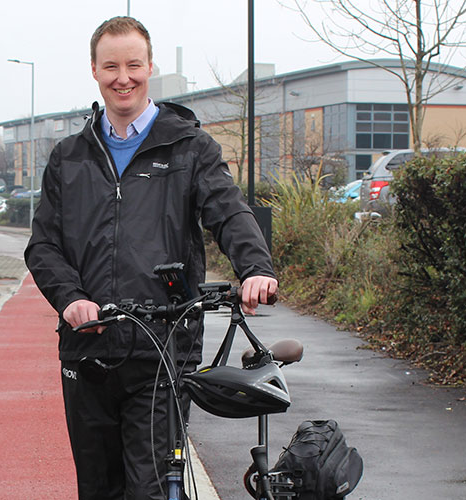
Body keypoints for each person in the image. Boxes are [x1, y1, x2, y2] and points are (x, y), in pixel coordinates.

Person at [24, 16, 279, 500]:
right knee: (98, 488)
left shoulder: (190, 147)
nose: (124, 77)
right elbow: (43, 245)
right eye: (112, 66)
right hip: (87, 344)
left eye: (134, 65)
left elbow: (228, 212)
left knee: (152, 489)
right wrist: (71, 299)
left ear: (150, 67)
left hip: (163, 345)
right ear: (95, 71)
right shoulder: (69, 156)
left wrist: (256, 269)